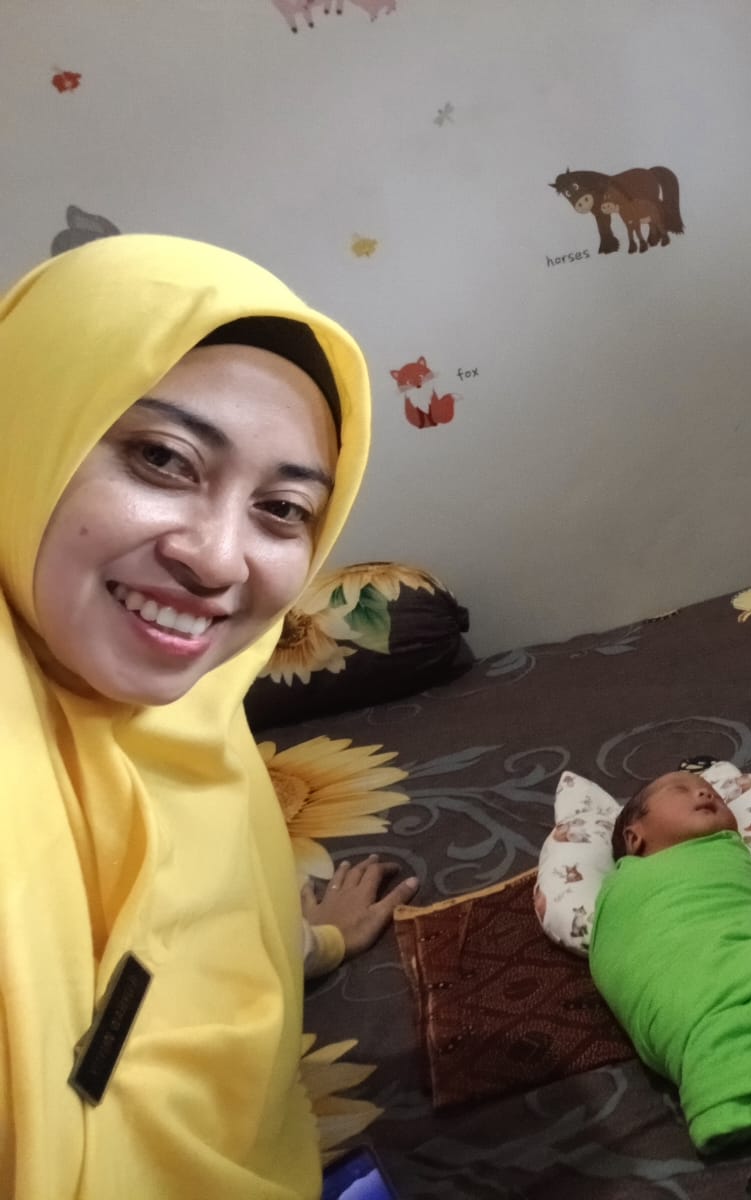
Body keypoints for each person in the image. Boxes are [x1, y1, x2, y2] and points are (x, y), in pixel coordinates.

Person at [0, 235, 385, 1198]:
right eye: (162, 459)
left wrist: (312, 944)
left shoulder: (197, 722)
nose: (218, 560)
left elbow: (185, 929)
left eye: (283, 509)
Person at [590, 771, 751, 1152]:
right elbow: (623, 950)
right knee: (694, 998)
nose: (705, 793)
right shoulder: (626, 888)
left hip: (745, 950)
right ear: (635, 838)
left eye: (712, 792)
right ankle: (750, 1079)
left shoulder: (729, 855)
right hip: (680, 970)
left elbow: (745, 910)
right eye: (680, 790)